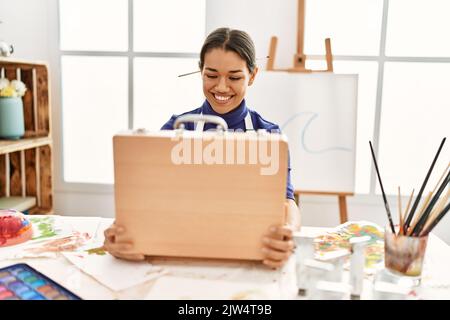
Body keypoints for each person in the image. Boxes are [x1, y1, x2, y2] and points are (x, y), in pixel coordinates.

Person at [104, 27, 301, 269]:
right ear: (201, 72)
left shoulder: (270, 135)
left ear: (252, 75)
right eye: (211, 75)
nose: (221, 86)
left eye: (234, 77)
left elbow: (286, 202)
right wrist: (122, 235)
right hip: (179, 254)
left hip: (250, 258)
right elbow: (147, 199)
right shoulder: (177, 127)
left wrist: (289, 235)